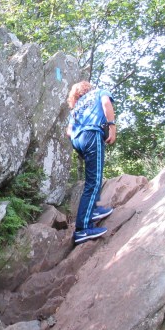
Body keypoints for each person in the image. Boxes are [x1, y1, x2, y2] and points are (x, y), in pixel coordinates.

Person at [66, 80, 116, 244]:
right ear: (88, 88)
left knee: (91, 179)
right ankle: (82, 229)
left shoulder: (77, 106)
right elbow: (106, 103)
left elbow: (68, 132)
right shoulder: (99, 92)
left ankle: (92, 210)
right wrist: (112, 128)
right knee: (94, 181)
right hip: (91, 135)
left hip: (77, 140)